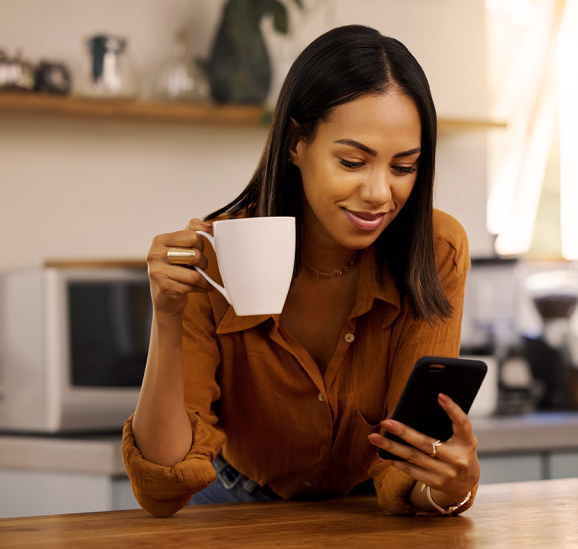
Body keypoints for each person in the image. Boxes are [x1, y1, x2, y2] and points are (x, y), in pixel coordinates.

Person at [122, 24, 480, 518]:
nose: (380, 193)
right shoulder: (216, 255)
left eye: (403, 168)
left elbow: (411, 470)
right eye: (352, 162)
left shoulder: (435, 250)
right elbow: (161, 491)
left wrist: (450, 487)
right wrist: (166, 315)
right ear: (296, 144)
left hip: (369, 513)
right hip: (234, 505)